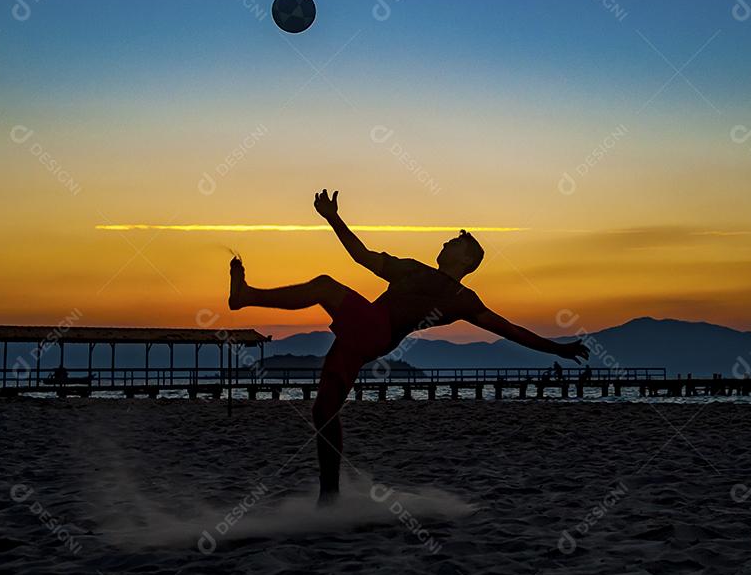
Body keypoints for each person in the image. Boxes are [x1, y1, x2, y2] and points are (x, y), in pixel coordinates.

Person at [229, 190, 588, 500]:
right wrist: (333, 218)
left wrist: (557, 349)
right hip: (363, 337)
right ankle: (330, 497)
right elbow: (362, 256)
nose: (444, 244)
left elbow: (509, 329)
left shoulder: (462, 298)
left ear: (467, 259)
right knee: (323, 413)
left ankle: (246, 296)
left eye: (454, 243)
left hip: (376, 330)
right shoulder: (413, 269)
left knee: (324, 285)